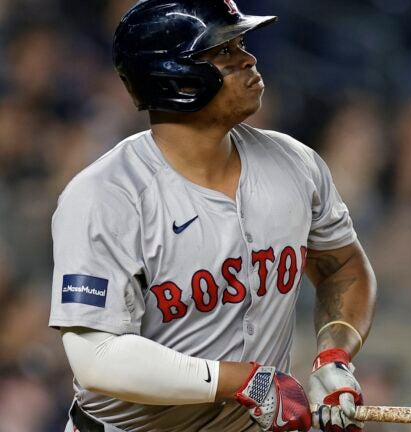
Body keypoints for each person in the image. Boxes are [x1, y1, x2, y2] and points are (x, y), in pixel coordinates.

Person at [47, 1, 377, 431]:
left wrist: (334, 357)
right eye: (224, 51)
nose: (249, 59)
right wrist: (240, 382)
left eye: (240, 43)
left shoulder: (296, 164)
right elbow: (98, 359)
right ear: (173, 77)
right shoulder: (106, 195)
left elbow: (342, 267)